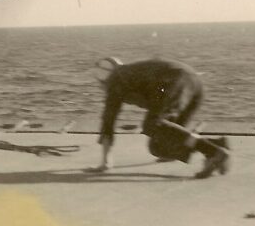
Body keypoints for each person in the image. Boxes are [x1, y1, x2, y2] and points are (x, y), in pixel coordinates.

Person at [91, 57, 230, 179]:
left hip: (172, 81)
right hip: (195, 84)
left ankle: (214, 152)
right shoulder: (129, 73)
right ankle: (216, 144)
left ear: (103, 79)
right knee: (159, 147)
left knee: (151, 125)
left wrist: (105, 162)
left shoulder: (115, 80)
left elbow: (108, 121)